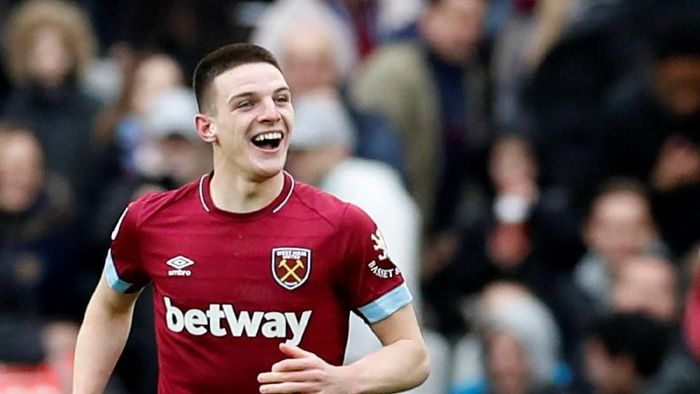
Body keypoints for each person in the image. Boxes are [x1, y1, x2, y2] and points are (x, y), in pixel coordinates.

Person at [73, 43, 430, 393]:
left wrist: (345, 380)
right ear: (206, 128)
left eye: (281, 99)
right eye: (247, 103)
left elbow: (412, 355)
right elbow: (107, 308)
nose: (271, 113)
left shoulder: (342, 226)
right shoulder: (150, 220)